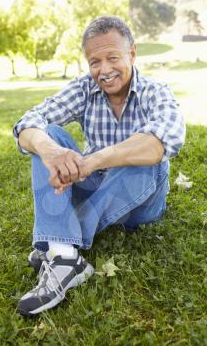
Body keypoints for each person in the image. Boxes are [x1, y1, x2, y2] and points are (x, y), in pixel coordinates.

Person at [13, 16, 185, 316]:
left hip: (142, 202)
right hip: (94, 188)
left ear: (132, 53)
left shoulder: (155, 91)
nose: (104, 70)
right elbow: (28, 123)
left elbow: (162, 141)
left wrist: (92, 161)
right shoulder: (84, 89)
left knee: (144, 158)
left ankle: (53, 240)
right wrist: (51, 150)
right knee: (48, 135)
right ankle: (66, 258)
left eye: (113, 58)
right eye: (95, 62)